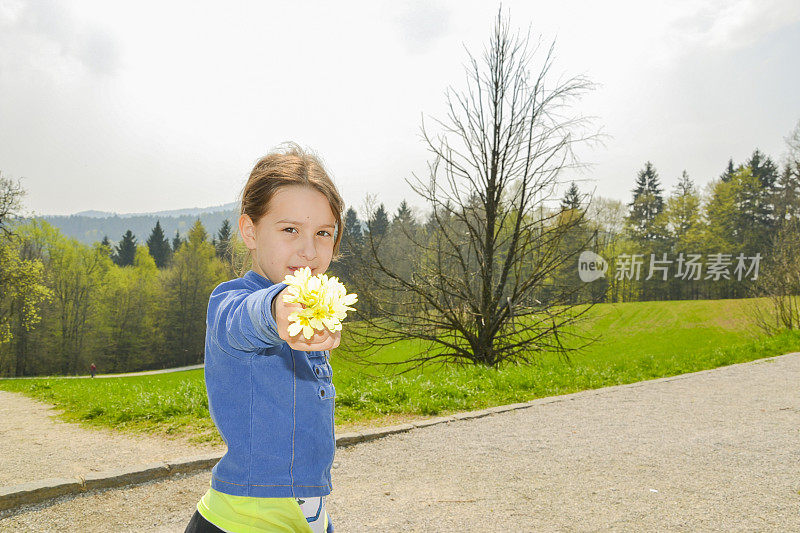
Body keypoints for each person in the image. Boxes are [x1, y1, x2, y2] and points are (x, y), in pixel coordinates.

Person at [184, 142, 343, 533]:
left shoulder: (306, 309)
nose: (309, 250)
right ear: (250, 231)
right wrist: (277, 307)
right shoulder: (232, 300)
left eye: (323, 232)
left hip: (303, 511)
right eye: (290, 229)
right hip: (245, 518)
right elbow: (243, 319)